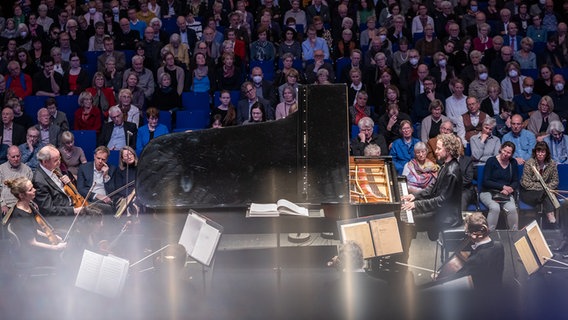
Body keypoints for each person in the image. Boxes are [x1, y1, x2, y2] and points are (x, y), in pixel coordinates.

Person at [401, 133, 463, 241]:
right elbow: (434, 186)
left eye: (439, 148)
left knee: (408, 220)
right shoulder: (446, 165)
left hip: (448, 216)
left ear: (448, 150)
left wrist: (416, 204)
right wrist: (415, 196)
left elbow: (441, 201)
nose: (436, 151)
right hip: (442, 210)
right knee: (408, 215)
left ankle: (405, 253)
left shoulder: (452, 171)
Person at [4, 177, 67, 264]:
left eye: (33, 187)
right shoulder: (20, 216)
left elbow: (32, 229)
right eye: (30, 190)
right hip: (29, 253)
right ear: (21, 195)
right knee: (63, 259)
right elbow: (32, 242)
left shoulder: (28, 206)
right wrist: (56, 248)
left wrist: (51, 236)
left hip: (34, 243)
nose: (34, 190)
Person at [451, 212, 504, 290]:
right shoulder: (499, 245)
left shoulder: (475, 260)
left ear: (474, 234)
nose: (467, 234)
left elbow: (457, 279)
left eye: (467, 232)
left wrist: (439, 279)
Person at [480, 141, 519, 231]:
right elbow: (486, 181)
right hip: (488, 191)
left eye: (508, 152)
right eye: (504, 151)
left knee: (512, 209)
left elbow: (515, 181)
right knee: (495, 208)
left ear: (512, 154)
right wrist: (503, 187)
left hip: (505, 193)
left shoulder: (513, 163)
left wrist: (508, 190)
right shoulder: (491, 161)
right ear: (501, 149)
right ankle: (489, 234)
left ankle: (514, 234)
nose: (505, 154)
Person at [33, 145, 83, 216]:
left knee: (101, 208)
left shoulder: (54, 169)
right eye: (55, 160)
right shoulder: (39, 181)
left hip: (73, 204)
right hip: (63, 216)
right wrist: (73, 211)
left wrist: (68, 183)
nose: (59, 162)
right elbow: (48, 210)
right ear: (45, 162)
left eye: (59, 158)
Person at [520, 142, 559, 225]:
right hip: (529, 192)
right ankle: (550, 214)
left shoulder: (552, 163)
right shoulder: (529, 163)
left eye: (543, 152)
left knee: (544, 196)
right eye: (538, 151)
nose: (540, 154)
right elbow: (526, 183)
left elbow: (555, 181)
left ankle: (540, 224)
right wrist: (544, 187)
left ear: (546, 153)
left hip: (545, 192)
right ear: (535, 152)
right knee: (545, 194)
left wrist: (546, 188)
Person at [0, 146, 33, 215]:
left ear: (21, 155)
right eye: (13, 157)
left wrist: (31, 202)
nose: (16, 159)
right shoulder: (1, 169)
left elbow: (30, 190)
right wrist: (2, 204)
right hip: (6, 204)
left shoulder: (27, 170)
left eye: (18, 156)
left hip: (23, 205)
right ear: (8, 157)